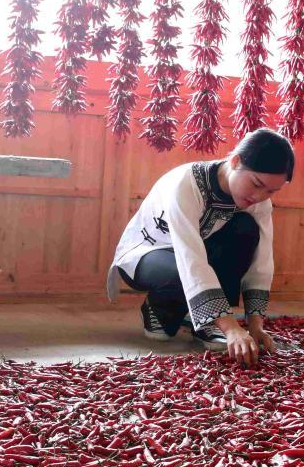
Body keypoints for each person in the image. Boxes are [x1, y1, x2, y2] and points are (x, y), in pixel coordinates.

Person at [106, 128, 293, 367]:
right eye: (256, 184)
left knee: (245, 228)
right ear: (235, 161)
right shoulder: (186, 184)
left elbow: (262, 261)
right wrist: (231, 327)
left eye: (271, 191)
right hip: (147, 257)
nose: (259, 196)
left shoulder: (258, 202)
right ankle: (157, 309)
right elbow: (189, 258)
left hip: (195, 254)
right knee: (172, 298)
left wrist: (255, 325)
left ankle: (206, 322)